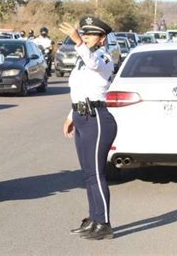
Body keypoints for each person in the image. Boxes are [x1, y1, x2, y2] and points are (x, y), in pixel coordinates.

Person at [59, 16, 117, 240]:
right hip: (81, 116)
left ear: (102, 39)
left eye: (91, 34)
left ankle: (104, 223)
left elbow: (93, 63)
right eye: (84, 34)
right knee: (88, 174)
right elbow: (79, 91)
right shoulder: (81, 60)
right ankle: (94, 218)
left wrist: (78, 42)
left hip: (97, 119)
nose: (85, 37)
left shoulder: (104, 58)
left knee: (97, 174)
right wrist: (70, 116)